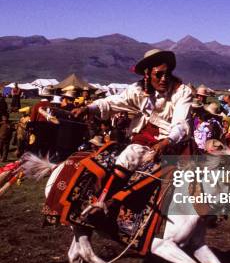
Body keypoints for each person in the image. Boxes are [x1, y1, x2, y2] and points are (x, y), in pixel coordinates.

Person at [72, 48, 192, 187]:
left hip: (171, 143)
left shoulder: (182, 92)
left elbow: (181, 124)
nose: (164, 79)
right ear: (147, 74)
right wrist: (88, 108)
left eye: (167, 74)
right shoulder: (137, 91)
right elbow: (113, 102)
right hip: (141, 142)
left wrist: (166, 142)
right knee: (126, 158)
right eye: (158, 75)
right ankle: (107, 201)